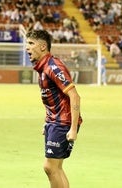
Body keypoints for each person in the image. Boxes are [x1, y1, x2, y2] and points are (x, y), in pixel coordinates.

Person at [25, 30, 82, 188]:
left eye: (31, 44)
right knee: (55, 168)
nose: (27, 48)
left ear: (43, 47)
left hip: (63, 122)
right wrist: (47, 122)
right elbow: (51, 99)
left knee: (50, 167)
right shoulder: (43, 68)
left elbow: (75, 96)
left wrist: (73, 129)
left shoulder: (53, 67)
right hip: (54, 122)